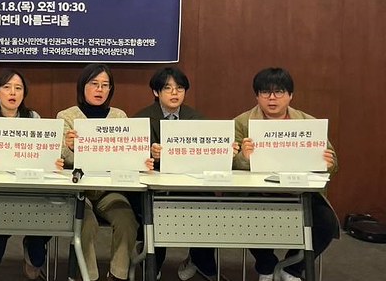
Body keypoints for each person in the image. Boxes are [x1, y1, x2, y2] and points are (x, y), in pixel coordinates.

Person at [234, 68, 339, 281]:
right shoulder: (241, 123)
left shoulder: (308, 123)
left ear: (290, 95)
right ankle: (266, 266)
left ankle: (291, 268)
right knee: (242, 216)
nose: (272, 98)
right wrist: (243, 157)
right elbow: (229, 163)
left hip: (299, 193)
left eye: (279, 92)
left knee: (326, 223)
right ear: (257, 96)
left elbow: (333, 162)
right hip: (258, 192)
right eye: (265, 92)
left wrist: (328, 163)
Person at [58, 63, 152, 281]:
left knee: (127, 221)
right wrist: (70, 148)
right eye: (94, 84)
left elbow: (127, 155)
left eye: (105, 85)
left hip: (110, 189)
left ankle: (118, 274)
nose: (99, 90)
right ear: (82, 87)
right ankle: (88, 276)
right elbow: (61, 159)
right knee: (86, 224)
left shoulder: (119, 116)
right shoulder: (67, 116)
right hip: (80, 191)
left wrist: (141, 160)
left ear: (110, 89)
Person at [132, 67, 227, 281]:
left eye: (180, 88)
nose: (174, 93)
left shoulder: (197, 119)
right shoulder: (141, 119)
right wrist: (149, 154)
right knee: (152, 208)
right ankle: (152, 262)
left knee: (207, 202)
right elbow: (130, 156)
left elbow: (207, 155)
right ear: (156, 92)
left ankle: (199, 259)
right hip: (154, 186)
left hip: (189, 183)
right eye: (168, 88)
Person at [0, 69, 58, 280]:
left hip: (30, 184)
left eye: (18, 88)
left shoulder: (33, 118)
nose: (13, 92)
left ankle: (34, 251)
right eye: (7, 87)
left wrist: (52, 160)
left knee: (49, 210)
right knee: (1, 214)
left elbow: (44, 150)